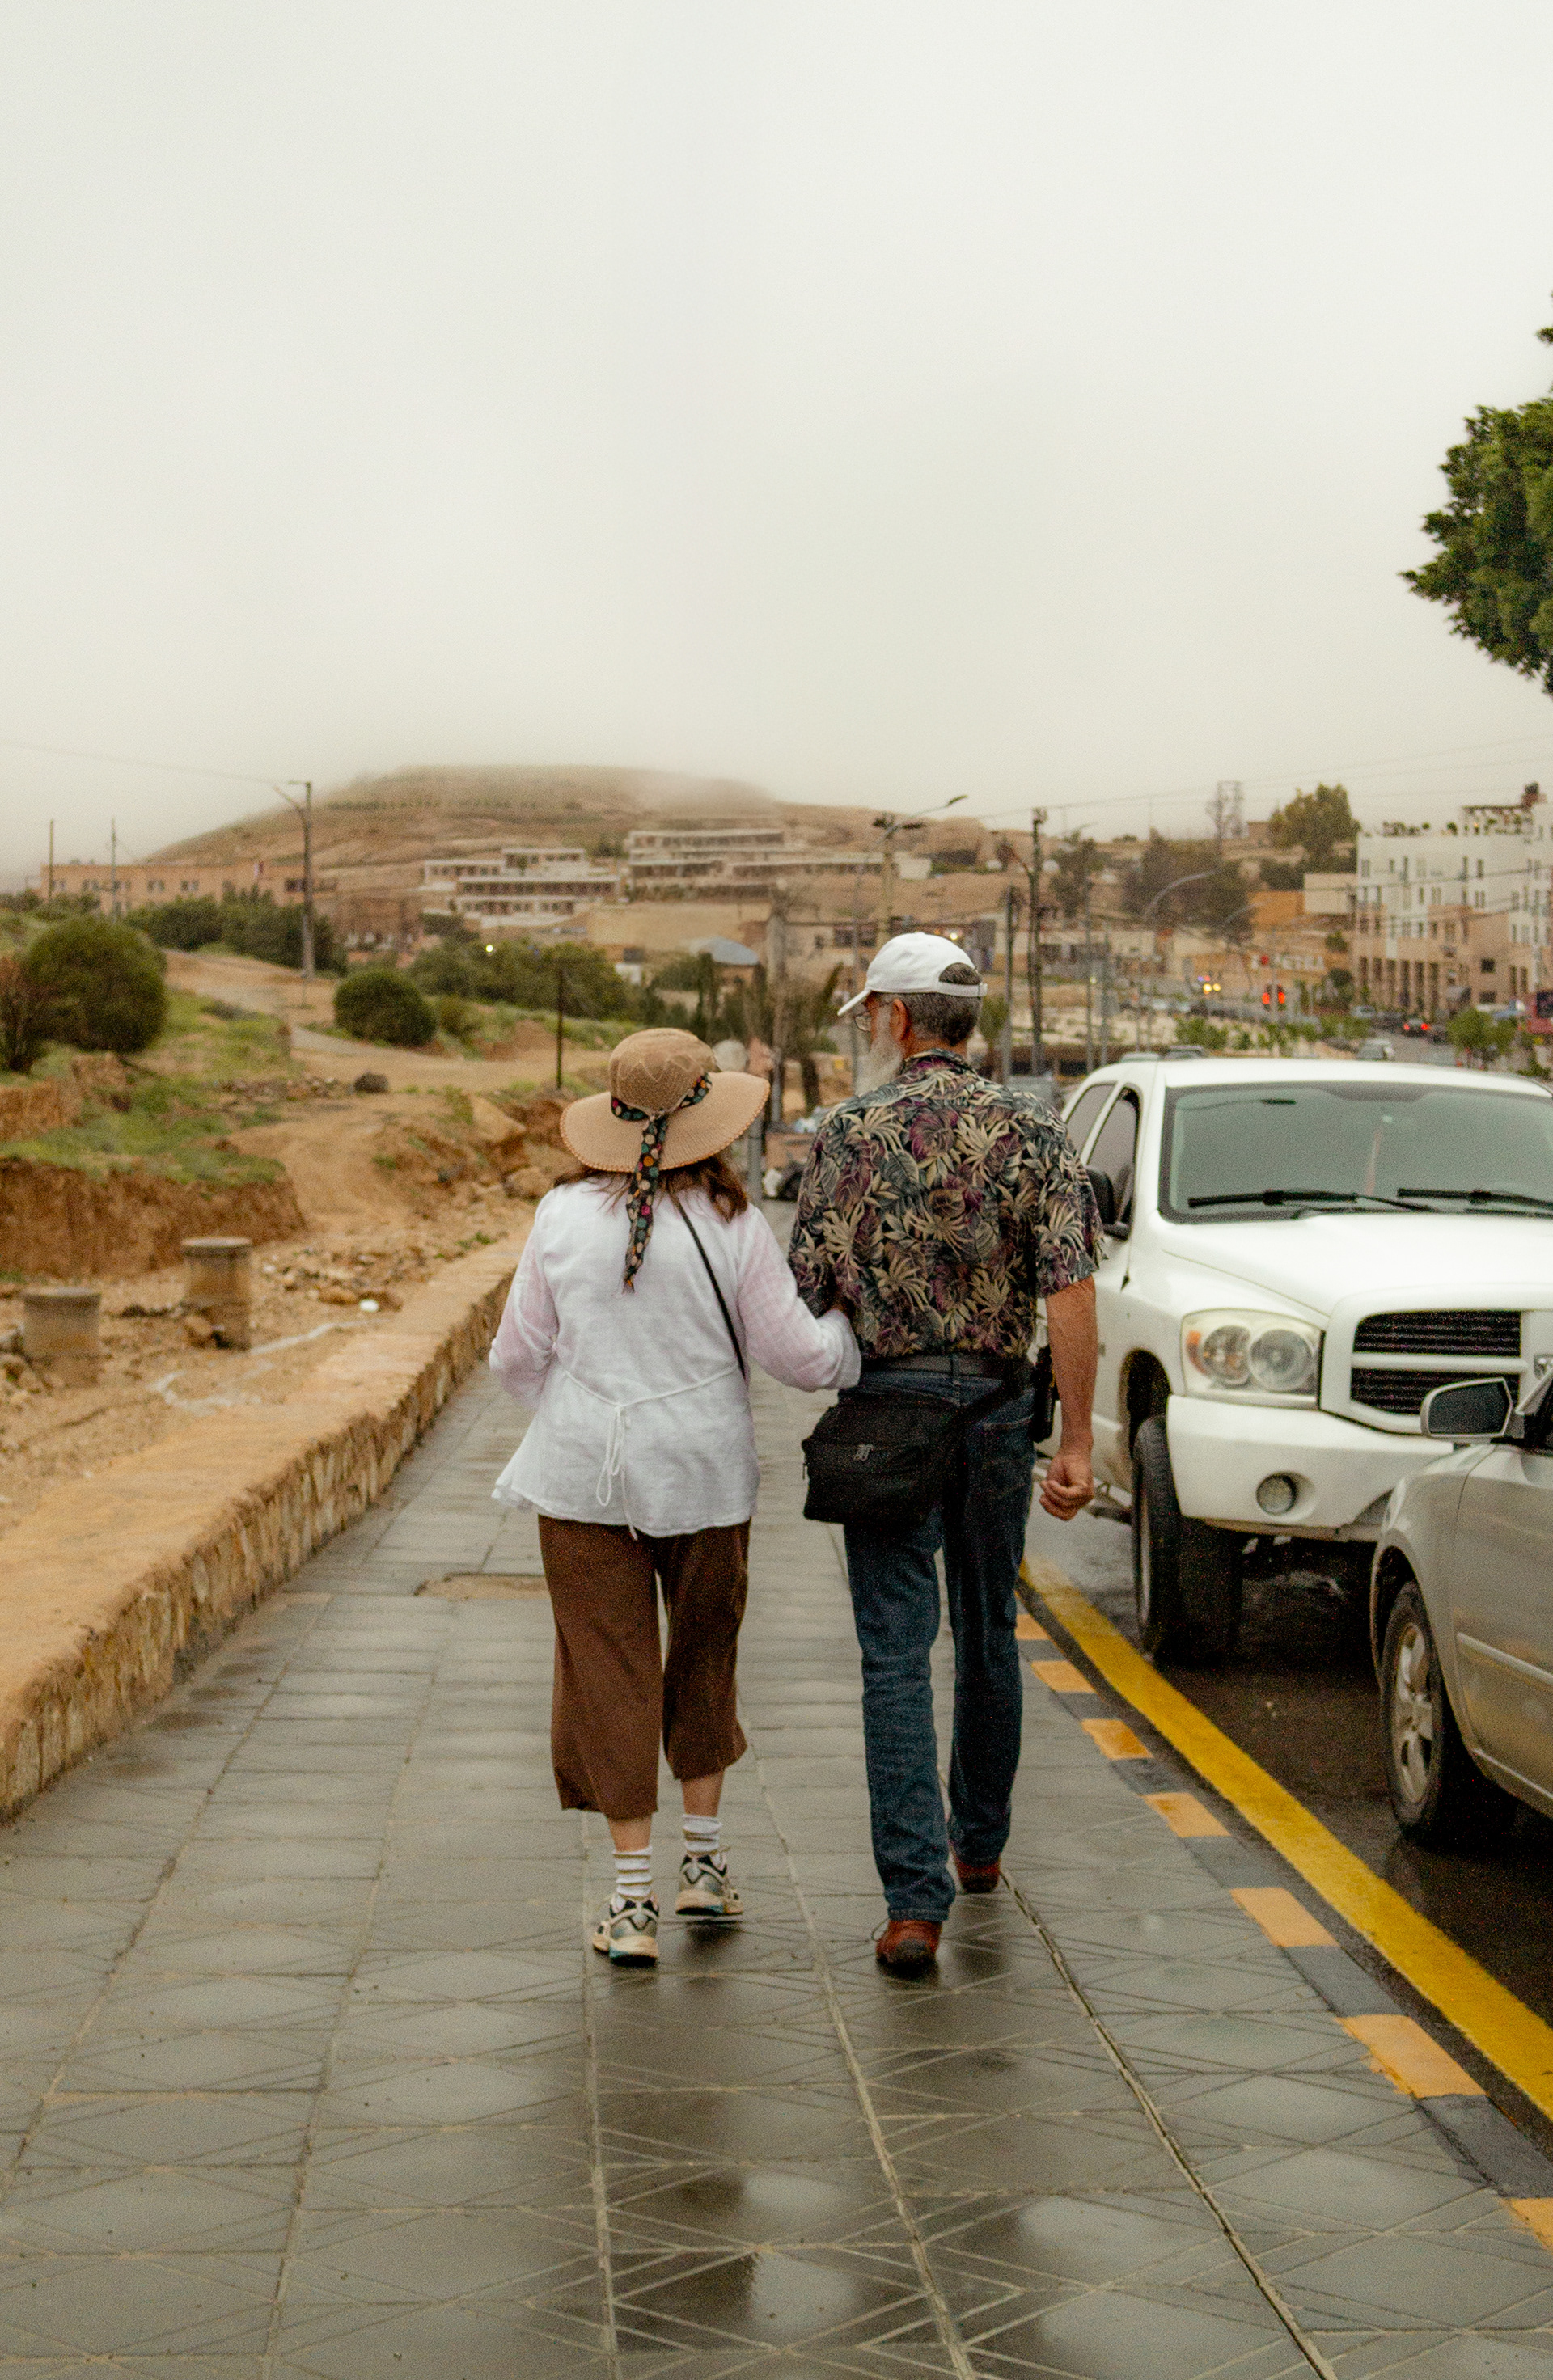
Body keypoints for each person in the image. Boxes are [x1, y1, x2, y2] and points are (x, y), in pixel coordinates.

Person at [489, 1027, 858, 1965]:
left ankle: (628, 1905)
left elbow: (514, 1358)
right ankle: (704, 1867)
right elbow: (800, 1360)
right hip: (705, 1474)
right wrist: (852, 1332)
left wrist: (582, 1403)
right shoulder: (734, 1226)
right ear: (712, 1120)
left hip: (582, 1478)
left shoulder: (560, 1218)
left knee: (607, 1670)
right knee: (704, 1653)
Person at [788, 932, 1102, 1976]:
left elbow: (811, 1288)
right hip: (1000, 1416)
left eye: (871, 1012)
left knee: (893, 1652)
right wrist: (1083, 1440)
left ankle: (913, 1905)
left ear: (897, 1018)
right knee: (986, 1629)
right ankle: (981, 1845)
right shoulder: (1036, 1132)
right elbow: (1069, 1294)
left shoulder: (846, 1132)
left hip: (888, 1416)